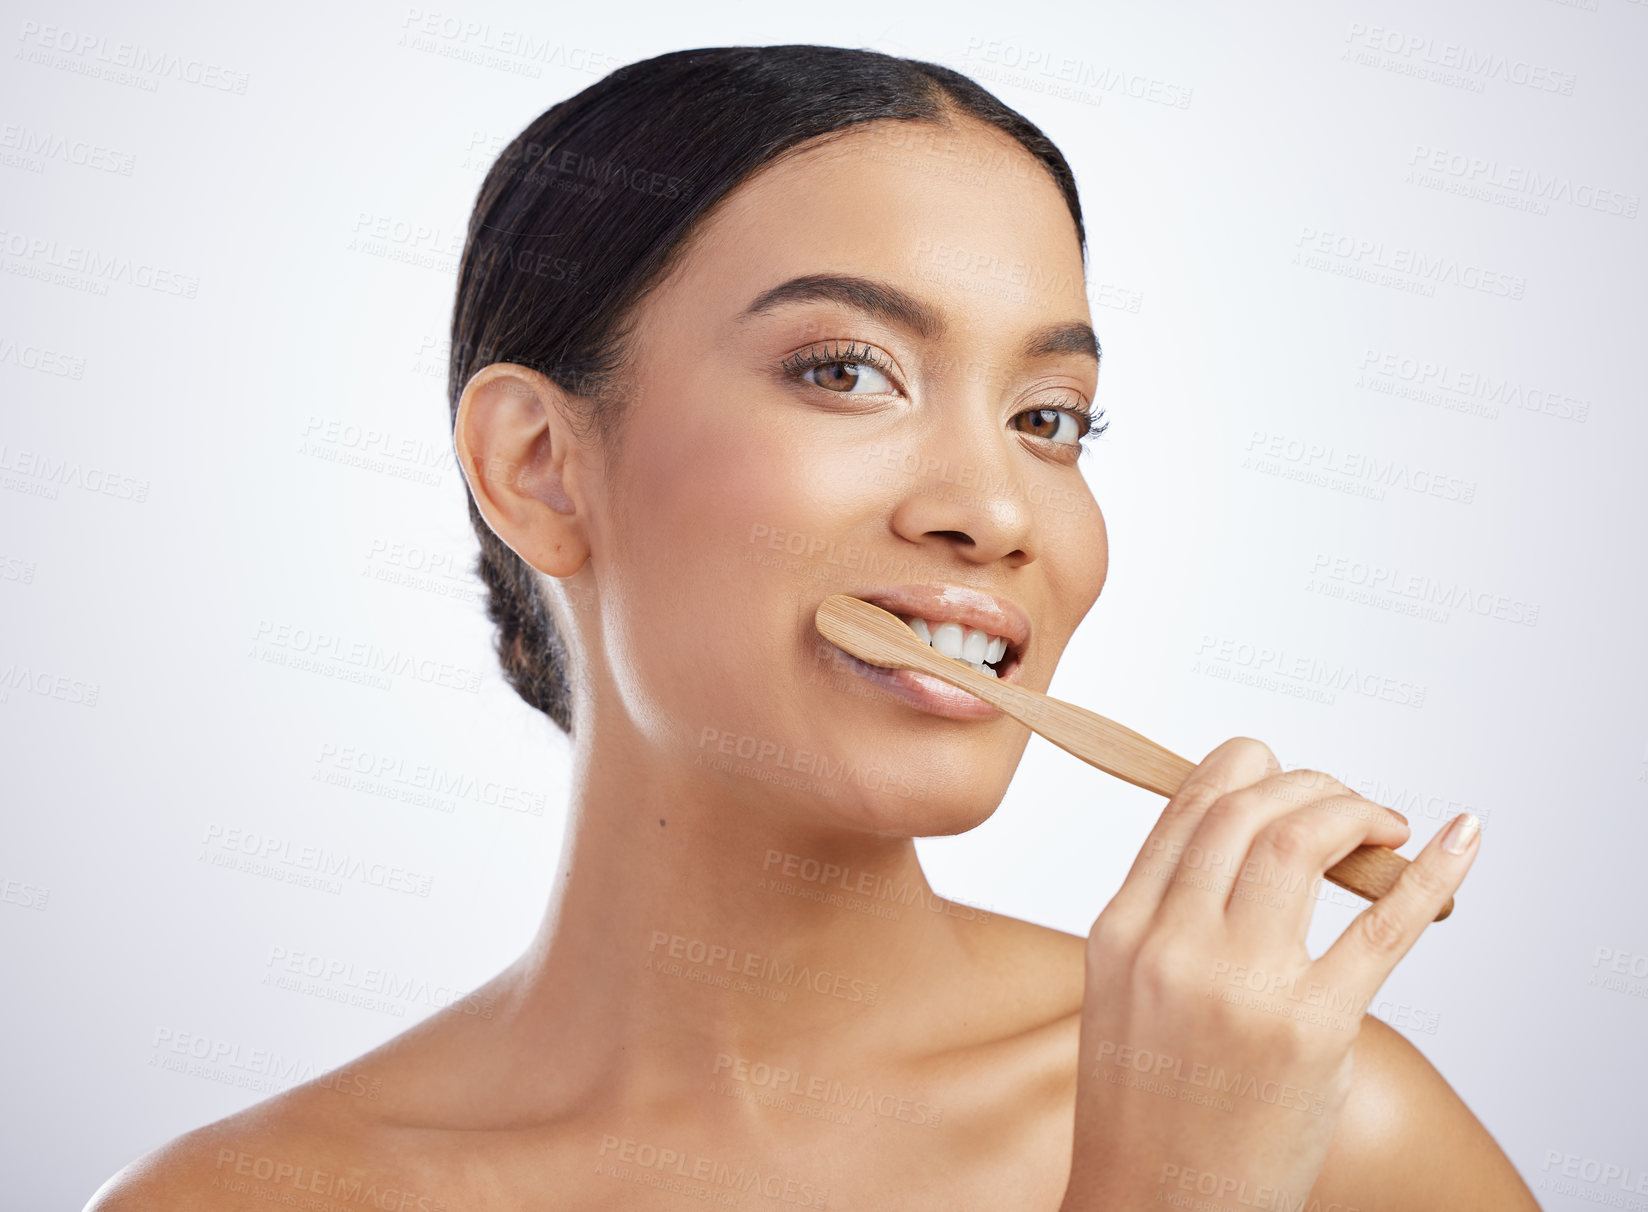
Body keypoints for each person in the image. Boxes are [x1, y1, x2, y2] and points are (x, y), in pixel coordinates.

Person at [86, 44, 1540, 1210]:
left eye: (1051, 419)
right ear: (540, 466)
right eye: (847, 370)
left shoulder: (1329, 1133)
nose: (998, 508)